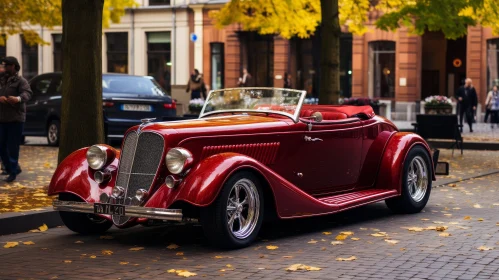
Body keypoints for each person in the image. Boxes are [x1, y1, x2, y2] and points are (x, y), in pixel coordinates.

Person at [0, 56, 32, 182]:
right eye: (3, 66)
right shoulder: (2, 80)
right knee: (1, 146)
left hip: (15, 119)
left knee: (13, 147)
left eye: (6, 65)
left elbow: (27, 93)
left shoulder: (21, 81)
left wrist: (17, 99)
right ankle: (11, 167)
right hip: (2, 119)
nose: (4, 68)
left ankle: (13, 172)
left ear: (13, 66)